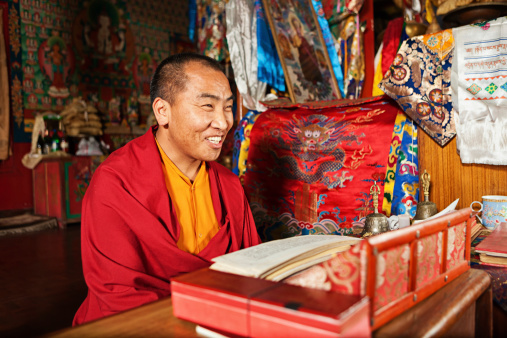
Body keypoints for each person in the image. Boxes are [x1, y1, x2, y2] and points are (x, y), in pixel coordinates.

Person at [73, 53, 262, 325]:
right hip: (142, 324)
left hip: (219, 320)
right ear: (163, 111)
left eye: (228, 107)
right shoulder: (115, 182)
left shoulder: (229, 186)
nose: (223, 122)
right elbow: (118, 293)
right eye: (208, 106)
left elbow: (251, 270)